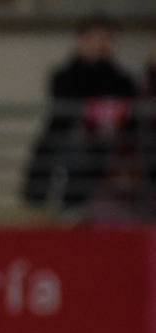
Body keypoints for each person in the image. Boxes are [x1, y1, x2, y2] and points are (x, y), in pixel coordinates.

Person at [22, 13, 138, 213]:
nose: (101, 45)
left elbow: (130, 115)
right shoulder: (64, 76)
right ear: (81, 41)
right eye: (95, 38)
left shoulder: (122, 80)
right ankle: (66, 207)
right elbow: (65, 109)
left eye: (107, 39)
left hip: (110, 145)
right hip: (70, 144)